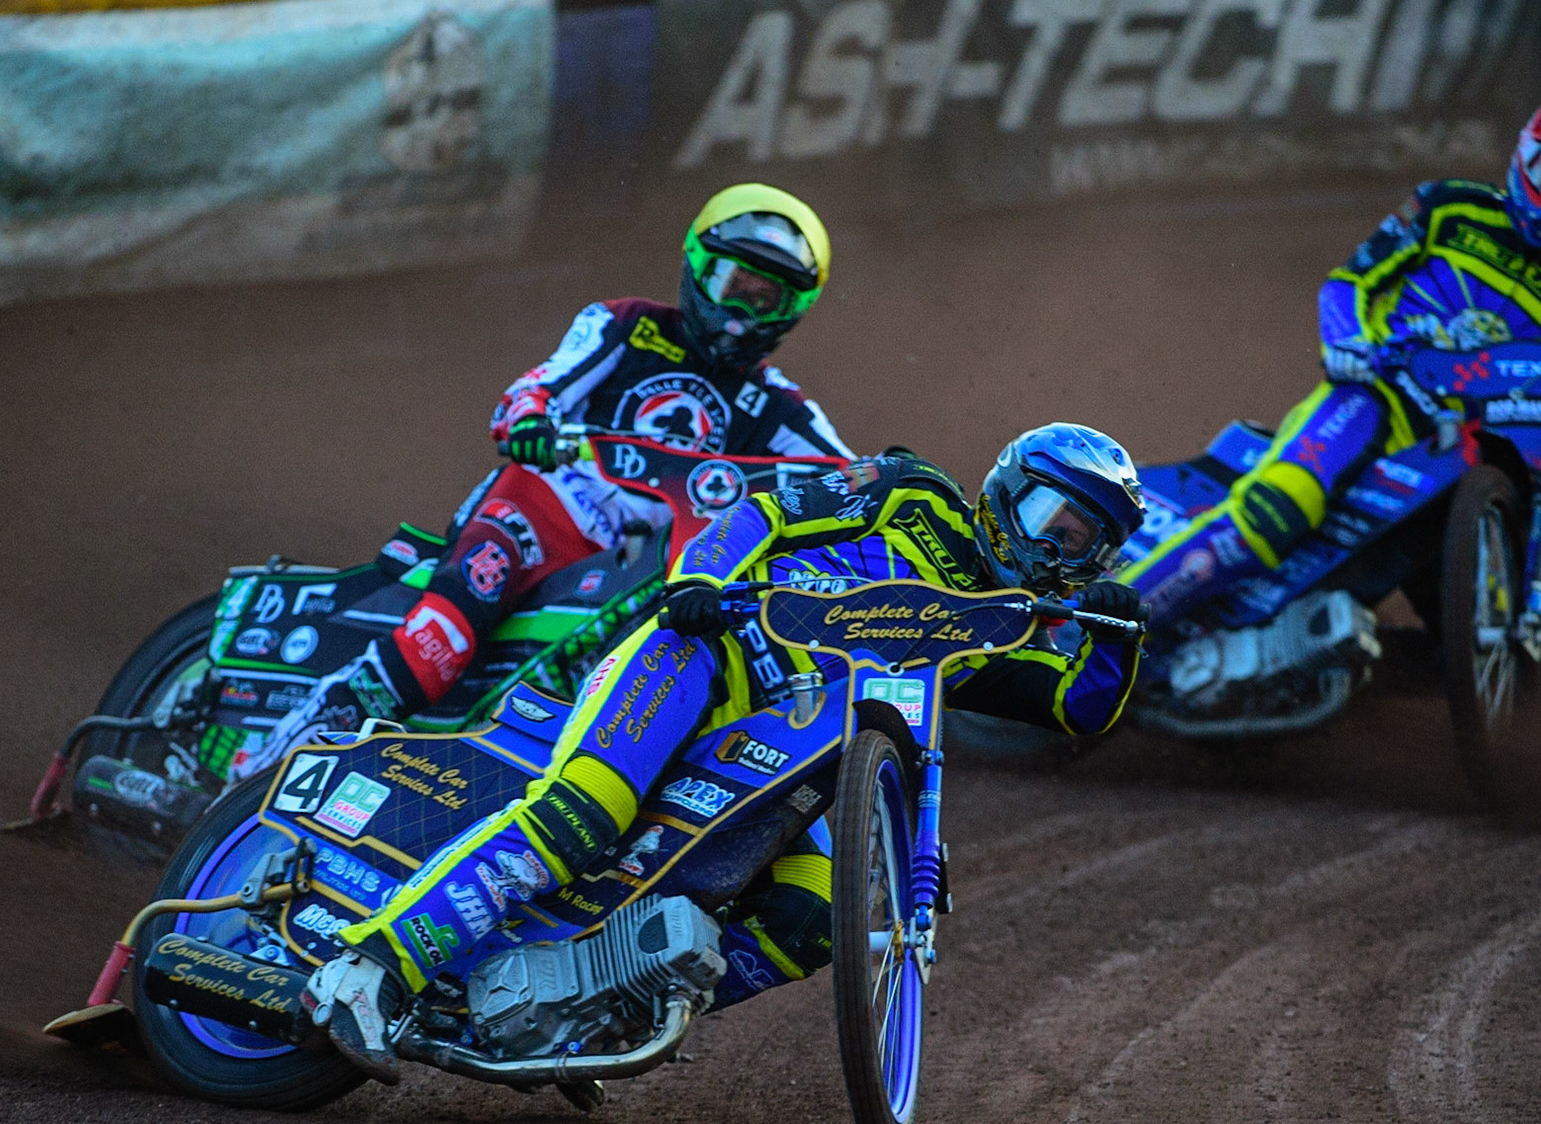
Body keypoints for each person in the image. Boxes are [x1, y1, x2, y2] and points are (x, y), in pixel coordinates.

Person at [302, 426, 1149, 1082]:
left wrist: (1119, 631)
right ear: (1008, 488)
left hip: (795, 753)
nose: (1055, 549)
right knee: (582, 812)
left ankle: (601, 1008)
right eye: (1052, 519)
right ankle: (366, 969)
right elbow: (766, 511)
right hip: (702, 660)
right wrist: (699, 580)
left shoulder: (1001, 626)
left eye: (1085, 543)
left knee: (820, 911)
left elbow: (1075, 704)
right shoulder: (909, 492)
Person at [230, 184, 854, 780]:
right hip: (538, 511)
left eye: (763, 299)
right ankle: (269, 761)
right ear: (696, 266)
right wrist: (529, 417)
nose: (740, 314)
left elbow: (845, 474)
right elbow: (541, 385)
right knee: (442, 639)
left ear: (791, 311)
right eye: (730, 285)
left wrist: (900, 479)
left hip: (638, 566)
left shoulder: (777, 405)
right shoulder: (625, 325)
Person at [1116, 89, 1541, 624]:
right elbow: (1348, 282)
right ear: (1524, 157)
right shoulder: (1449, 207)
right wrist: (1349, 344)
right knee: (1281, 504)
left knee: (1452, 616)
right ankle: (1097, 625)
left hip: (1466, 447)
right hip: (1377, 396)